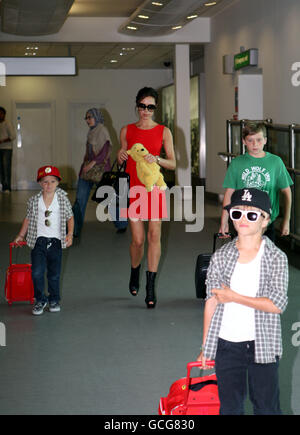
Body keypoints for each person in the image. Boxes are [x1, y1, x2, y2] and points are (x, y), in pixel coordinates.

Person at [198, 188, 289, 415]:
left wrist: (234, 297)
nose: (243, 220)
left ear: (266, 220)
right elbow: (211, 302)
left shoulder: (276, 257)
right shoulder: (221, 256)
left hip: (263, 344)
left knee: (267, 408)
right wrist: (205, 347)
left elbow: (277, 304)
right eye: (237, 213)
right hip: (227, 344)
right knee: (229, 408)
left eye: (252, 215)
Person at [117, 87, 176, 308]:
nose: (146, 110)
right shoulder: (127, 130)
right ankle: (135, 271)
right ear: (137, 106)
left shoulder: (164, 131)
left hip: (155, 189)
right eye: (142, 106)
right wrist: (120, 154)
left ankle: (150, 287)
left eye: (150, 107)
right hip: (135, 190)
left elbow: (173, 163)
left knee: (154, 235)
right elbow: (122, 156)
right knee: (138, 240)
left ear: (155, 108)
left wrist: (157, 159)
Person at [14, 165, 74, 316]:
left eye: (52, 181)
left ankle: (54, 299)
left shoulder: (63, 199)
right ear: (40, 183)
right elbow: (27, 219)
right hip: (38, 242)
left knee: (54, 274)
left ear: (58, 182)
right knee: (37, 272)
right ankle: (40, 299)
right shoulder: (34, 201)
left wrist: (70, 234)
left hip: (56, 242)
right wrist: (21, 235)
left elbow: (70, 217)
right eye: (45, 181)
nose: (49, 185)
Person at [219, 122, 293, 241]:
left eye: (259, 140)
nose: (255, 144)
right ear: (244, 141)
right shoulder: (237, 163)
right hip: (243, 221)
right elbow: (229, 192)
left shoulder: (276, 162)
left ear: (265, 140)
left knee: (267, 257)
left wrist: (286, 220)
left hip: (266, 222)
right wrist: (224, 221)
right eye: (250, 140)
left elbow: (287, 191)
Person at [73, 108, 126, 236]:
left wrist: (91, 164)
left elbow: (106, 150)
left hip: (100, 171)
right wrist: (86, 163)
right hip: (87, 171)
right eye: (86, 118)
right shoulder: (91, 132)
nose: (87, 120)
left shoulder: (102, 130)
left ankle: (121, 223)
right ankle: (74, 229)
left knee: (108, 198)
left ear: (96, 117)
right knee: (80, 200)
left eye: (90, 117)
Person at [0, 106, 16, 192]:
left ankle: (7, 187)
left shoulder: (7, 123)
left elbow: (13, 136)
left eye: (1, 113)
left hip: (7, 149)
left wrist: (2, 141)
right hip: (0, 149)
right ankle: (3, 186)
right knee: (1, 169)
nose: (0, 115)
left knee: (6, 168)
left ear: (4, 114)